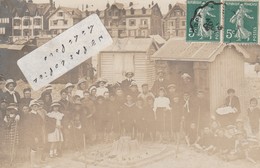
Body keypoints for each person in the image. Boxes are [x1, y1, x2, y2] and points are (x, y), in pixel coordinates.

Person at [27, 100, 44, 168]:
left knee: (39, 147)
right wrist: (35, 136)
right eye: (34, 106)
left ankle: (37, 161)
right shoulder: (30, 115)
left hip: (39, 133)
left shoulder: (37, 114)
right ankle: (32, 164)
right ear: (31, 107)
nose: (36, 107)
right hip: (33, 134)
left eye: (37, 106)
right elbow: (30, 127)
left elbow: (42, 122)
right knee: (33, 148)